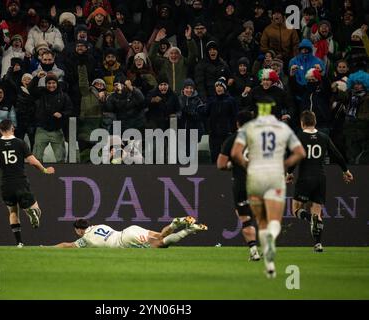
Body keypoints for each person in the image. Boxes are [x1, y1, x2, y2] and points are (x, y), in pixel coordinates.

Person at [231, 97, 306, 278]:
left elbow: (234, 153)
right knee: (272, 220)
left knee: (259, 220)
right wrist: (285, 165)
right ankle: (271, 242)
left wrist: (247, 165)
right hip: (274, 177)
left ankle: (268, 262)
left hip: (255, 177)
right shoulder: (282, 128)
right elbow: (300, 152)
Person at [286, 111, 353, 252]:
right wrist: (345, 171)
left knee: (296, 210)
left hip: (305, 177)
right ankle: (318, 244)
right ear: (315, 122)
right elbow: (337, 154)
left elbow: (294, 157)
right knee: (317, 212)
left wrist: (289, 173)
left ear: (302, 123)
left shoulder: (299, 137)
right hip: (320, 178)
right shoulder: (324, 137)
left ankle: (310, 219)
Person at [0, 119, 55, 247]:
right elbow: (32, 161)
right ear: (12, 129)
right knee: (37, 210)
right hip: (20, 182)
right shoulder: (19, 143)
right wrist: (44, 170)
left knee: (12, 212)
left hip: (6, 184)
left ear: (0, 130)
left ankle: (19, 242)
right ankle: (30, 212)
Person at [217, 111, 260, 261]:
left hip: (242, 183)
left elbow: (221, 164)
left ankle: (254, 250)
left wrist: (233, 164)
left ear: (237, 124)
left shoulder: (232, 140)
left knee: (245, 218)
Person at [53, 216, 207, 248]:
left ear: (80, 230)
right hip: (130, 229)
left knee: (160, 244)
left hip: (125, 240)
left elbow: (67, 245)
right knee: (161, 235)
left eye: (76, 231)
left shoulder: (85, 239)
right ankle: (180, 225)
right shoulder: (99, 225)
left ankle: (185, 230)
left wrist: (48, 248)